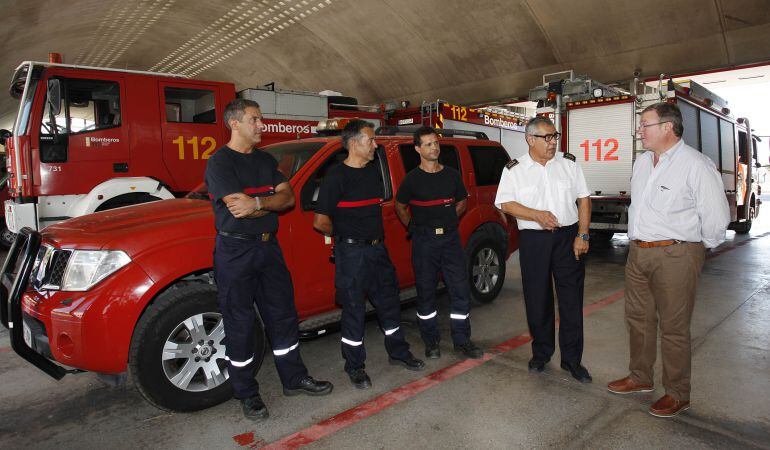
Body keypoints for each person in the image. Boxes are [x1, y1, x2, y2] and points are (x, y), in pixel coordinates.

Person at [205, 99, 332, 421]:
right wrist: (267, 202)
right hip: (235, 252)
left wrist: (258, 202)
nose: (262, 125)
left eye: (261, 120)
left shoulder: (265, 160)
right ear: (234, 123)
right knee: (241, 324)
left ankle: (294, 378)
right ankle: (246, 393)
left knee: (283, 315)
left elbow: (287, 198)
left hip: (268, 248)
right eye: (255, 120)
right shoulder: (220, 163)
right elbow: (237, 207)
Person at [607, 103, 730, 418]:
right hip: (638, 252)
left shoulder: (696, 165)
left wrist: (694, 250)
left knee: (674, 327)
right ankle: (640, 377)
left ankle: (677, 393)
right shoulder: (643, 163)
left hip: (676, 253)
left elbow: (716, 217)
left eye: (644, 124)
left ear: (667, 127)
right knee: (638, 319)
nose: (639, 130)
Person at [313, 119, 425, 389]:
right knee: (353, 310)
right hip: (352, 254)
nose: (375, 145)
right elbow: (320, 222)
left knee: (389, 303)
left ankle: (399, 352)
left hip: (378, 250)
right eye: (370, 140)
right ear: (354, 144)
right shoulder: (336, 177)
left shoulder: (373, 171)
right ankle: (355, 366)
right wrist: (345, 239)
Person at [494, 116, 593, 383]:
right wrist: (536, 214)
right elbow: (504, 203)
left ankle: (572, 360)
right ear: (530, 139)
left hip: (568, 237)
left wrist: (582, 234)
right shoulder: (515, 169)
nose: (552, 143)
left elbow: (583, 199)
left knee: (571, 299)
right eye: (546, 138)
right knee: (538, 299)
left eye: (555, 136)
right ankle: (541, 353)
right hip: (534, 242)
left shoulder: (569, 164)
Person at [394, 126, 483, 360]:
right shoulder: (411, 179)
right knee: (426, 294)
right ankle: (431, 341)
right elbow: (400, 206)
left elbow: (462, 201)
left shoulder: (452, 175)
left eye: (436, 143)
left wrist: (451, 218)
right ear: (418, 149)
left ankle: (462, 340)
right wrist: (412, 227)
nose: (434, 148)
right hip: (424, 242)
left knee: (460, 291)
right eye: (428, 144)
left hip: (450, 240)